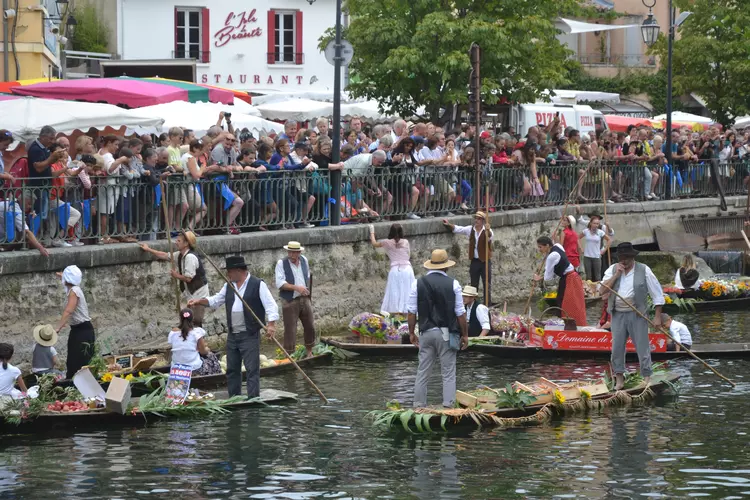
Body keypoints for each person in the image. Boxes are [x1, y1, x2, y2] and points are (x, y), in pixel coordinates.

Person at [188, 255, 279, 398]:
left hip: (249, 333)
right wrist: (199, 301)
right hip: (233, 335)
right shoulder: (229, 285)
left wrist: (271, 325)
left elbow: (271, 305)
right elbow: (216, 300)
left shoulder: (257, 284)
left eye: (229, 271)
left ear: (238, 271)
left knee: (251, 369)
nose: (227, 274)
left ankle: (253, 398)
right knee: (232, 369)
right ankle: (234, 397)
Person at [408, 249, 468, 408]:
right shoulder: (453, 283)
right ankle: (448, 405)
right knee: (448, 373)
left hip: (426, 331)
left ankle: (418, 405)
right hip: (446, 332)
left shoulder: (417, 283)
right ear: (446, 267)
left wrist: (411, 333)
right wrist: (465, 335)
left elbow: (411, 311)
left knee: (423, 372)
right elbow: (460, 313)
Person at [601, 242, 664, 390]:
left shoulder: (644, 270)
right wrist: (616, 274)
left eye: (627, 257)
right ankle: (619, 380)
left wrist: (657, 317)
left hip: (637, 314)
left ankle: (647, 377)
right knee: (616, 348)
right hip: (617, 314)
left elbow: (658, 294)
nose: (624, 260)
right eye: (622, 257)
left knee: (642, 347)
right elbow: (602, 291)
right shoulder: (612, 270)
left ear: (632, 257)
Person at [139, 231, 209, 326]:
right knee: (187, 320)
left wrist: (176, 275)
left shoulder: (190, 257)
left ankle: (198, 340)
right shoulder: (180, 255)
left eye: (179, 241)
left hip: (199, 293)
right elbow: (165, 255)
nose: (176, 242)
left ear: (186, 243)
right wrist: (148, 249)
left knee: (196, 322)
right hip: (190, 293)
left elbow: (188, 279)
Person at [534, 236, 587, 327]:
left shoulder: (552, 256)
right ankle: (563, 322)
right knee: (562, 300)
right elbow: (557, 244)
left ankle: (568, 324)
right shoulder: (558, 246)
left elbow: (548, 278)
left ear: (547, 245)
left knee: (566, 302)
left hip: (570, 279)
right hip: (571, 276)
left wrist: (539, 278)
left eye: (540, 247)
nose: (539, 249)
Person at [275, 241, 316, 358]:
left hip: (304, 298)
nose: (291, 255)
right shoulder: (281, 263)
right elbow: (280, 283)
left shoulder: (304, 260)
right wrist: (297, 288)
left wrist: (305, 290)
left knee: (310, 326)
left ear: (299, 252)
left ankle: (309, 352)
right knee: (290, 329)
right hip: (290, 300)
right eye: (289, 252)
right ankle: (289, 355)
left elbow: (306, 276)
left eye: (294, 252)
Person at [442, 211, 493, 304]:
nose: (476, 220)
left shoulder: (487, 231)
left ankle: (487, 303)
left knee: (487, 284)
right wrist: (449, 224)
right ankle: (474, 303)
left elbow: (489, 238)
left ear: (483, 221)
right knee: (474, 284)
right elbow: (459, 229)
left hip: (485, 261)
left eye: (479, 219)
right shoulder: (470, 229)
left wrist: (488, 231)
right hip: (475, 261)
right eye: (476, 218)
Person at [55, 265, 95, 379]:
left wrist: (58, 327)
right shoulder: (73, 287)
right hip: (78, 329)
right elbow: (68, 279)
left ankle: (78, 384)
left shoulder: (74, 291)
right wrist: (62, 275)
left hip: (82, 330)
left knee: (78, 360)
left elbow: (69, 310)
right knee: (73, 358)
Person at [368, 223, 415, 315]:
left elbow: (374, 243)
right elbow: (408, 255)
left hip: (395, 270)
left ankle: (395, 314)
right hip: (407, 270)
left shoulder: (386, 242)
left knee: (394, 293)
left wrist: (372, 232)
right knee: (408, 292)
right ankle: (408, 314)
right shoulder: (405, 242)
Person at [168, 308, 222, 376]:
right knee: (211, 356)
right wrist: (207, 350)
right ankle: (216, 377)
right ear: (192, 318)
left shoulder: (172, 333)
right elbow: (202, 351)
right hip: (194, 369)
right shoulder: (196, 332)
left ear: (180, 318)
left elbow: (179, 346)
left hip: (176, 369)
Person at [579, 215, 610, 281]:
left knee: (598, 276)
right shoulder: (586, 231)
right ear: (590, 223)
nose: (596, 225)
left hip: (597, 256)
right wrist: (581, 248)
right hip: (587, 256)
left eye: (597, 224)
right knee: (588, 276)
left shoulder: (600, 232)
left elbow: (609, 240)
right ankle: (589, 290)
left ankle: (598, 290)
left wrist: (604, 250)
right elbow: (578, 238)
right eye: (594, 223)